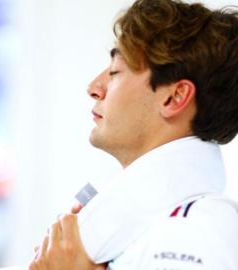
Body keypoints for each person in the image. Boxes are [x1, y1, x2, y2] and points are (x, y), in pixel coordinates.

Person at [29, 0, 238, 269]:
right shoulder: (146, 231)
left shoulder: (200, 230)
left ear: (174, 97)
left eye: (115, 71)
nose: (94, 87)